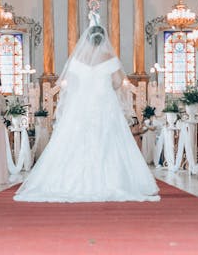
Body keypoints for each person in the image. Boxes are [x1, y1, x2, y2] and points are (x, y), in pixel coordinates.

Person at [14, 21, 160, 202]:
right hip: (104, 103)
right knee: (108, 140)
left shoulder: (77, 59)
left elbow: (70, 85)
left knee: (76, 140)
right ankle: (113, 181)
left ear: (87, 40)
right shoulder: (109, 57)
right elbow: (117, 83)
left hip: (80, 105)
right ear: (104, 39)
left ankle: (69, 182)